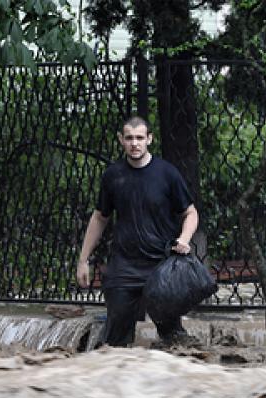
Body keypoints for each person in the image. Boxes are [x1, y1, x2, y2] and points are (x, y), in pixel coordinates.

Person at [76, 116, 199, 347]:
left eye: (140, 138)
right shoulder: (113, 175)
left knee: (175, 340)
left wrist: (184, 238)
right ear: (121, 140)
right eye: (130, 138)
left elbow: (190, 213)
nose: (135, 143)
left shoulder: (167, 173)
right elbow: (99, 217)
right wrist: (83, 260)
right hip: (124, 267)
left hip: (161, 266)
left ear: (149, 139)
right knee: (115, 344)